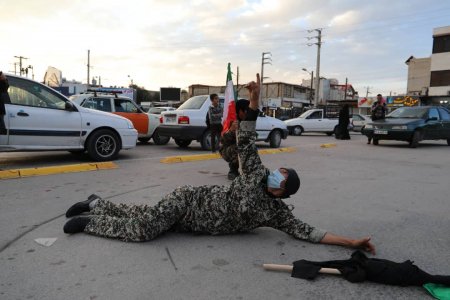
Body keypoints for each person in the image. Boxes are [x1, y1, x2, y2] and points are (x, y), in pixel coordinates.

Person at [63, 73, 375, 255]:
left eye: (282, 180)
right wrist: (253, 101)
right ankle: (89, 222)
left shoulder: (277, 214)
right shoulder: (255, 172)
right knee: (144, 230)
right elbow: (248, 138)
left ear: (283, 194)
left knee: (143, 214)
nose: (275, 178)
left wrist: (351, 242)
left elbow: (310, 232)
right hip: (189, 201)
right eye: (278, 173)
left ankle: (96, 203)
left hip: (190, 224)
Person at [219, 99, 250, 180]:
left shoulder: (246, 122)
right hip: (227, 150)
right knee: (239, 148)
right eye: (246, 111)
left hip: (240, 147)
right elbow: (222, 140)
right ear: (240, 111)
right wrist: (231, 130)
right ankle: (233, 170)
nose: (248, 113)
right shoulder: (231, 121)